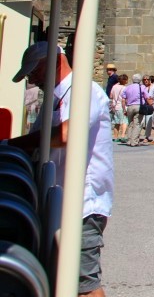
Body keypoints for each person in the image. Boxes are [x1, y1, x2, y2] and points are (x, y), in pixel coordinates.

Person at [7, 42, 114, 296]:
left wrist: (11, 144)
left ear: (53, 62)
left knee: (84, 285)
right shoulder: (57, 98)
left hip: (82, 204)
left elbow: (68, 133)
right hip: (61, 200)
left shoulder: (83, 91)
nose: (32, 79)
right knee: (64, 279)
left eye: (34, 71)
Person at [122, 73, 149, 145]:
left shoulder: (127, 87)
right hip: (139, 106)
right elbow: (147, 97)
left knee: (130, 124)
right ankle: (134, 141)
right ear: (140, 80)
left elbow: (123, 99)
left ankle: (129, 140)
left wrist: (124, 109)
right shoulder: (142, 87)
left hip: (129, 106)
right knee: (137, 124)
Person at [109, 74, 128, 142]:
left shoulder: (114, 86)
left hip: (115, 106)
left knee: (116, 122)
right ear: (125, 80)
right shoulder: (125, 88)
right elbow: (125, 98)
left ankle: (115, 136)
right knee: (124, 121)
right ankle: (122, 135)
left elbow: (111, 96)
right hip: (121, 106)